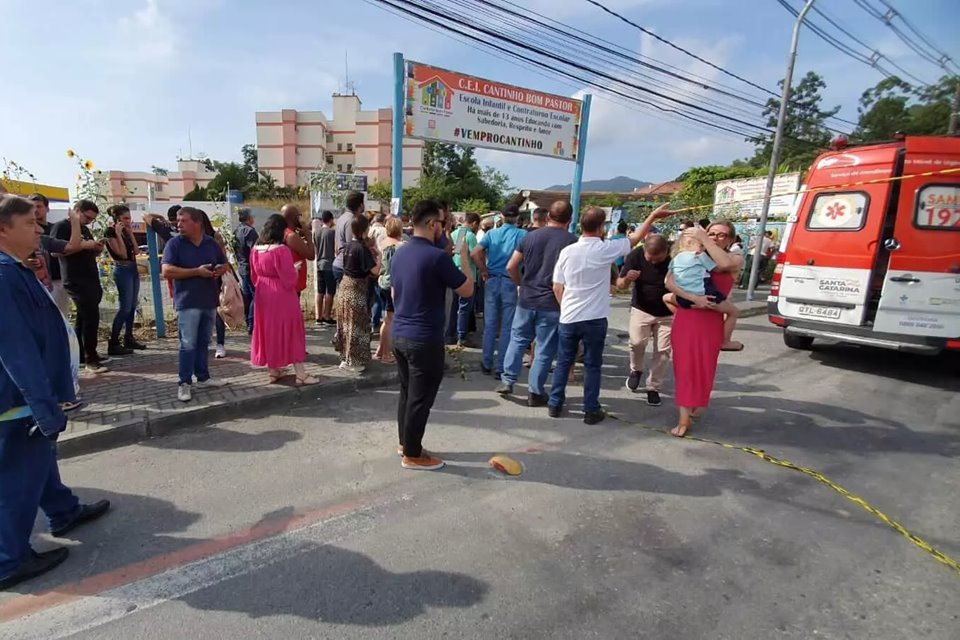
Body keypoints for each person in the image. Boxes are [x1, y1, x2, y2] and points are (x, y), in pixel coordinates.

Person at [0, 194, 111, 590]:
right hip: (17, 401)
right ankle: (9, 559)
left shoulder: (14, 268)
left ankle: (63, 511)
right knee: (17, 478)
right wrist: (45, 408)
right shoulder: (2, 277)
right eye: (30, 222)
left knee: (39, 460)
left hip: (28, 398)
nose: (39, 228)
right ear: (3, 229)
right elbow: (16, 350)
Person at [548, 205, 670, 424]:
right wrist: (652, 216)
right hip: (594, 318)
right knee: (593, 365)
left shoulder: (567, 252)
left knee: (564, 362)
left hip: (569, 317)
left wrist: (564, 308)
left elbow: (557, 287)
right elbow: (633, 240)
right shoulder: (605, 249)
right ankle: (590, 409)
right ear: (602, 227)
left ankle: (555, 404)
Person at [390, 199, 474, 471]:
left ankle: (406, 443)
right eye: (443, 223)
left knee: (407, 393)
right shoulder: (437, 257)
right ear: (431, 224)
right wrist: (462, 257)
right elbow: (467, 290)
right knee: (421, 398)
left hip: (400, 333)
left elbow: (394, 294)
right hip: (424, 338)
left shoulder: (400, 252)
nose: (445, 229)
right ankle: (413, 454)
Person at [667, 221, 744, 437]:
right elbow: (670, 282)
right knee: (684, 369)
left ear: (730, 239)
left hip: (711, 324)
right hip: (688, 318)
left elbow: (724, 264)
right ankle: (683, 418)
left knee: (704, 368)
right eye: (712, 233)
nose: (716, 238)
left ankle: (695, 405)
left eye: (722, 235)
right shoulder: (689, 256)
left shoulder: (734, 258)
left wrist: (704, 239)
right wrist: (694, 299)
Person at [496, 201, 577, 405]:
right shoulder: (571, 241)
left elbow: (511, 266)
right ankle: (535, 391)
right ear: (569, 219)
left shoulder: (529, 237)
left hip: (526, 298)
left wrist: (521, 283)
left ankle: (507, 380)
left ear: (548, 215)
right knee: (543, 348)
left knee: (518, 338)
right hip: (552, 301)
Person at [161, 207, 230, 403]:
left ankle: (203, 377)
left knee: (203, 341)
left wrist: (218, 270)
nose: (179, 224)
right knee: (187, 343)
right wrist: (196, 272)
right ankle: (184, 383)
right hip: (187, 302)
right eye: (178, 221)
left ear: (197, 223)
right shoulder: (174, 244)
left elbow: (224, 264)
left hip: (208, 299)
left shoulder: (211, 243)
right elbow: (167, 271)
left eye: (183, 221)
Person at [250, 215, 317, 386]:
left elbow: (254, 276)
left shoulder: (256, 249)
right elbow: (289, 279)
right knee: (291, 330)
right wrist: (294, 269)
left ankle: (273, 370)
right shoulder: (281, 250)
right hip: (282, 293)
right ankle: (301, 374)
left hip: (263, 292)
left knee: (268, 330)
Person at [616, 228, 673, 407]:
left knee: (663, 351)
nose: (654, 262)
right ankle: (636, 370)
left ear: (666, 252)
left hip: (668, 312)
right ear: (645, 251)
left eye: (659, 259)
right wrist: (627, 279)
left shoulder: (675, 259)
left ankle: (653, 387)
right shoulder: (636, 255)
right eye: (651, 259)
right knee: (637, 343)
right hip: (642, 308)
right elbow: (620, 284)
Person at [51, 199, 109, 373]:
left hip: (90, 277)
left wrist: (95, 248)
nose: (88, 222)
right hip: (75, 279)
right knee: (91, 318)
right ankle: (91, 359)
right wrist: (85, 245)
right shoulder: (62, 226)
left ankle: (82, 354)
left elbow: (85, 248)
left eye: (92, 220)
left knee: (83, 319)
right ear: (76, 210)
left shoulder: (83, 229)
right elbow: (55, 251)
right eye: (87, 217)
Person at [471, 204, 527, 377]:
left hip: (492, 280)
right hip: (511, 280)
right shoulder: (523, 235)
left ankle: (486, 362)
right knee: (507, 327)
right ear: (517, 218)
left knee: (490, 324)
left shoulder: (491, 234)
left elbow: (475, 253)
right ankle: (502, 366)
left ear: (501, 216)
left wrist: (483, 270)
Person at [664, 229, 742, 352]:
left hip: (683, 298)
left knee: (666, 298)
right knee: (734, 312)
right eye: (701, 244)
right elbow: (719, 268)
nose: (703, 247)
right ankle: (726, 342)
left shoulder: (675, 259)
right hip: (706, 295)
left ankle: (678, 317)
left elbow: (668, 281)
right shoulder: (699, 255)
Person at [333, 214, 380, 372]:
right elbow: (375, 271)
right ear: (364, 229)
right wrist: (378, 256)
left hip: (344, 286)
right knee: (356, 325)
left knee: (345, 323)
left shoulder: (347, 246)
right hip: (356, 289)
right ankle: (354, 360)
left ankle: (345, 358)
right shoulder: (362, 249)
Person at [103, 205, 144, 356]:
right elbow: (121, 253)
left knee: (132, 306)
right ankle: (113, 342)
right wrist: (119, 234)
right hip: (122, 269)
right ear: (117, 218)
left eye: (129, 218)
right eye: (125, 218)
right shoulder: (110, 232)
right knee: (124, 307)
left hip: (132, 268)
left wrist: (130, 233)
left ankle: (129, 337)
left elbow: (137, 251)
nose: (128, 221)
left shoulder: (126, 231)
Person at [31, 194, 74, 316]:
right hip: (37, 283)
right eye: (32, 207)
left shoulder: (55, 228)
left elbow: (70, 247)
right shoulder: (25, 231)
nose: (35, 210)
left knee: (60, 317)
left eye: (39, 206)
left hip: (58, 280)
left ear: (47, 208)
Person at [446, 212, 480, 346]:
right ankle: (462, 336)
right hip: (466, 274)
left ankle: (450, 334)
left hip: (453, 273)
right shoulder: (468, 235)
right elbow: (472, 255)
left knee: (453, 307)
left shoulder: (453, 234)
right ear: (474, 223)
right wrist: (482, 268)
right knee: (465, 307)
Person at [374, 217, 404, 363]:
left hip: (381, 283)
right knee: (390, 320)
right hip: (393, 285)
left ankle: (380, 350)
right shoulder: (400, 246)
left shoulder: (381, 243)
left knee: (386, 318)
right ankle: (386, 354)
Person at [233, 208, 258, 334]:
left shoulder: (236, 230)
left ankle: (248, 323)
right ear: (249, 218)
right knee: (256, 295)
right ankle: (252, 323)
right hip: (250, 267)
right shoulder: (250, 232)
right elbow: (254, 251)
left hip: (241, 266)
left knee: (247, 295)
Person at [281, 204, 313, 298]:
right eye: (299, 216)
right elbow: (311, 255)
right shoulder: (291, 236)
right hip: (293, 284)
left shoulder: (284, 232)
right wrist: (308, 235)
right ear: (295, 218)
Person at [333, 192, 365, 284]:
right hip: (346, 266)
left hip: (339, 262)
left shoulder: (341, 218)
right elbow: (352, 246)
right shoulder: (352, 220)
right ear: (360, 205)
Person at [312, 210, 337, 326]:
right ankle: (327, 315)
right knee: (330, 291)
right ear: (331, 220)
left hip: (319, 263)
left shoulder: (316, 233)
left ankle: (318, 316)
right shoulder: (332, 233)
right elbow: (335, 249)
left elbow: (316, 248)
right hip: (329, 263)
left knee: (320, 290)